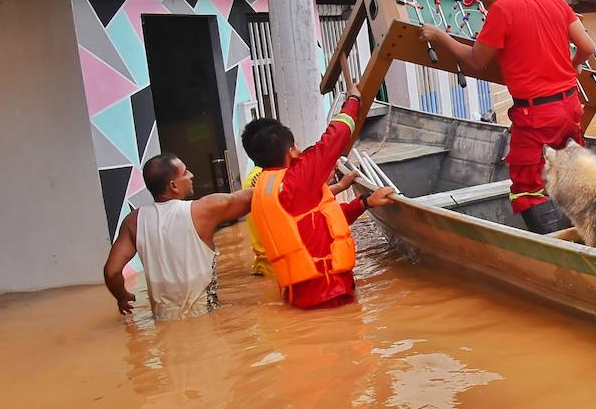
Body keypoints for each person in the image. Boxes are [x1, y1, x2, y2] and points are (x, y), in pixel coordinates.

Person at [418, 0, 596, 233]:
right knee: (571, 172)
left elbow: (476, 59)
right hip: (570, 106)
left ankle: (554, 251)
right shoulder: (553, 0)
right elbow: (587, 46)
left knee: (526, 187)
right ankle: (586, 235)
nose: (482, 5)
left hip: (536, 115)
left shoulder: (501, 10)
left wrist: (439, 36)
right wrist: (571, 67)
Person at [245, 76, 397, 309]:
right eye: (294, 146)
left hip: (298, 296)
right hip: (328, 293)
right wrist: (353, 100)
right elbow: (334, 138)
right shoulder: (298, 180)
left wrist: (365, 202)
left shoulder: (264, 186)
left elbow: (320, 222)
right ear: (290, 150)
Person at [102, 154, 254, 319]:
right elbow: (250, 198)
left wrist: (122, 296)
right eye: (185, 172)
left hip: (162, 319)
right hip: (205, 314)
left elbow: (111, 272)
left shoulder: (133, 221)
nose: (191, 175)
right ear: (173, 185)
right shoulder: (203, 210)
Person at [241, 117, 359, 278]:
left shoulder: (262, 179)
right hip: (283, 267)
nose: (298, 152)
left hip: (272, 267)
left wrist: (337, 187)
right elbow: (295, 207)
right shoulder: (275, 179)